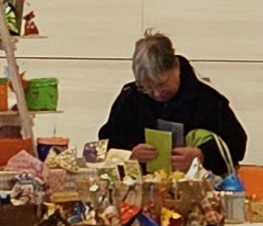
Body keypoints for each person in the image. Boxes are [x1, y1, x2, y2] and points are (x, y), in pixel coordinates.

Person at [99, 32, 248, 174]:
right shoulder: (131, 96)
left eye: (162, 84)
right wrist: (130, 151)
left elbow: (237, 143)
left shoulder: (207, 99)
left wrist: (202, 154)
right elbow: (107, 139)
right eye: (148, 88)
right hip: (141, 186)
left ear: (176, 67)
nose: (157, 94)